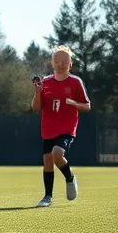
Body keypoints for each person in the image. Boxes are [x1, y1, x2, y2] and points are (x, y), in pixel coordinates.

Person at [32, 45, 91, 207]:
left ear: (70, 64)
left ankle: (69, 177)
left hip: (66, 127)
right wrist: (37, 93)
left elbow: (87, 106)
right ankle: (47, 197)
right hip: (47, 128)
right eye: (57, 61)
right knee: (48, 161)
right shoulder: (45, 83)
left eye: (64, 61)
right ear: (52, 64)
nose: (60, 64)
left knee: (57, 153)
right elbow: (36, 108)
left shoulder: (75, 82)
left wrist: (73, 102)